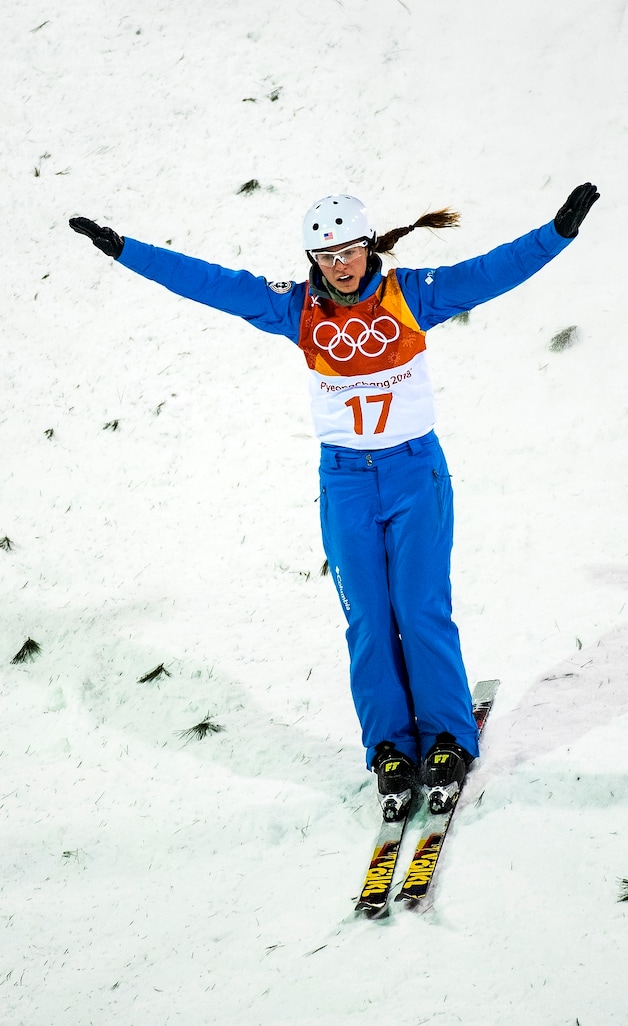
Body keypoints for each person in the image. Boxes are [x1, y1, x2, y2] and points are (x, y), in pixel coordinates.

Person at [69, 182, 599, 820]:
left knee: (421, 609)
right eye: (326, 256)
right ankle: (391, 749)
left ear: (368, 247)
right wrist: (124, 249)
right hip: (345, 482)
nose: (339, 265)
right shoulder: (296, 311)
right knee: (369, 619)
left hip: (413, 475)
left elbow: (490, 273)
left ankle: (449, 739)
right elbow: (210, 282)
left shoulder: (413, 296)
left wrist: (557, 233)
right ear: (312, 260)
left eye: (348, 251)